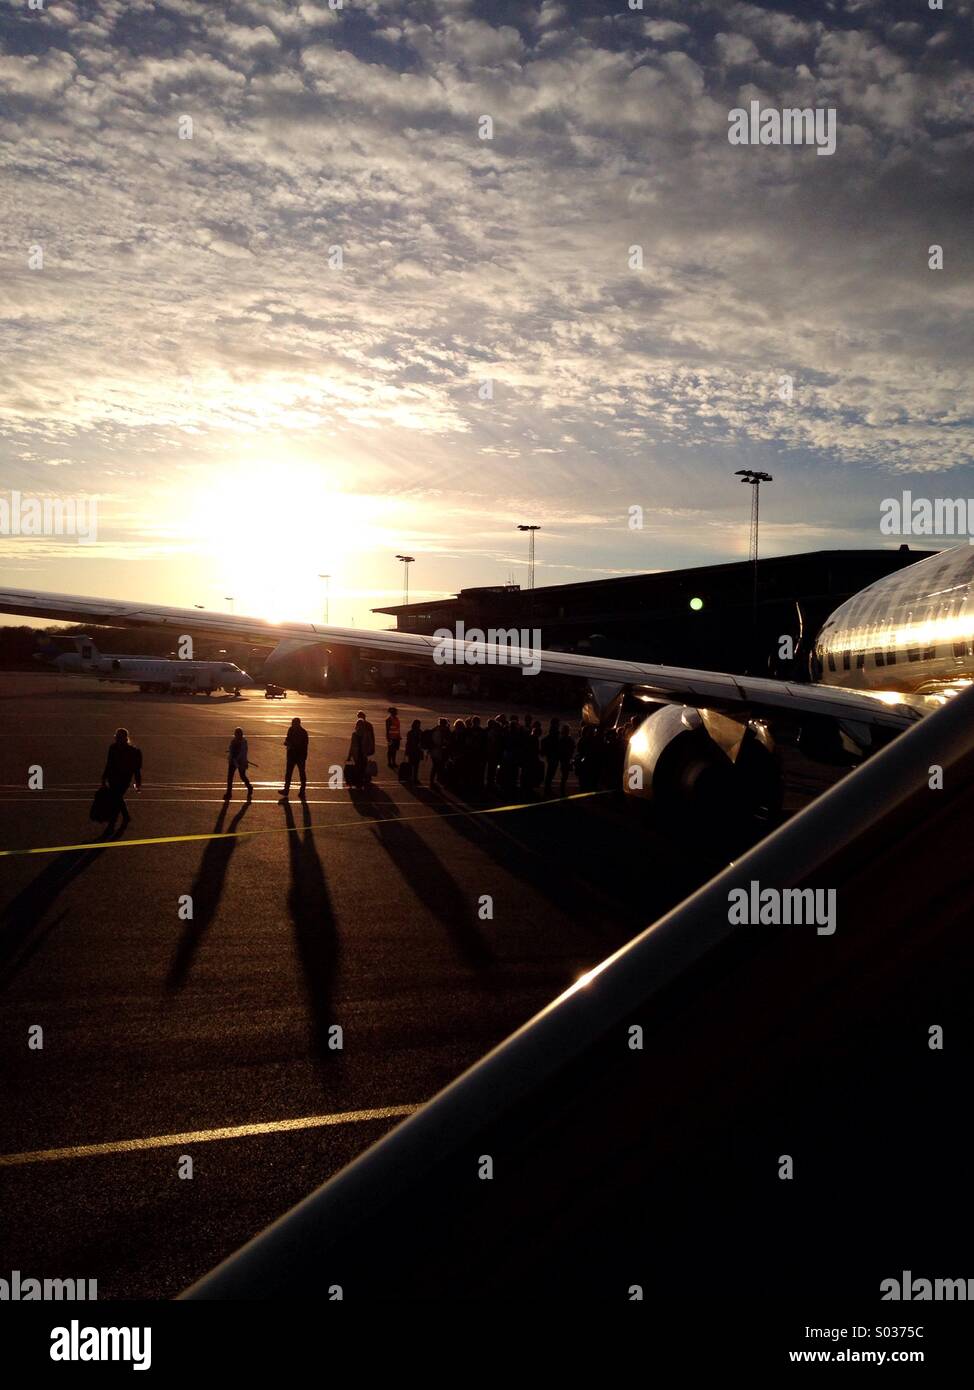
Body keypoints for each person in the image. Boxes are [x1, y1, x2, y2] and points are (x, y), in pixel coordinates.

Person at [101, 727, 142, 833]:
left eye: (120, 737)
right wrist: (104, 777)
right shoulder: (113, 748)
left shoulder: (134, 751)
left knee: (116, 797)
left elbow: (136, 769)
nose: (117, 739)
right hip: (113, 778)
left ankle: (112, 822)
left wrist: (138, 782)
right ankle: (126, 816)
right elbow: (109, 763)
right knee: (117, 797)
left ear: (125, 738)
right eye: (117, 737)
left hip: (124, 779)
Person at [280, 717, 309, 799]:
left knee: (302, 774)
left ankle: (302, 790)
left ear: (298, 724)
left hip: (299, 756)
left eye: (293, 723)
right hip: (291, 755)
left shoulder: (303, 733)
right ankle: (286, 790)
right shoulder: (291, 730)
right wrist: (287, 743)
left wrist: (292, 745)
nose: (292, 725)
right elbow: (287, 739)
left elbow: (304, 745)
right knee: (288, 773)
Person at [347, 710, 376, 787]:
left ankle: (359, 781)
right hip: (362, 754)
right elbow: (371, 741)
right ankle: (362, 781)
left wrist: (349, 756)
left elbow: (352, 746)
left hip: (359, 754)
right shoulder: (363, 733)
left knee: (359, 768)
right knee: (362, 768)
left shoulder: (358, 734)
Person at [225, 726, 253, 800]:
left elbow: (243, 753)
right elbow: (231, 749)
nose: (236, 736)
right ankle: (229, 793)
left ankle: (249, 787)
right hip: (233, 761)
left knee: (242, 776)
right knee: (230, 777)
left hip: (241, 762)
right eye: (236, 734)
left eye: (238, 734)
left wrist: (237, 759)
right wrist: (231, 756)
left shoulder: (244, 743)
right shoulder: (233, 741)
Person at [541, 717, 561, 797]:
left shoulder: (554, 732)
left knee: (550, 772)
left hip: (552, 755)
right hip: (553, 755)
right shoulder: (554, 732)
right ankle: (547, 788)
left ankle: (547, 787)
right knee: (551, 772)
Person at [429, 718, 450, 789]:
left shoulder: (435, 729)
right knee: (438, 767)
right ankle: (436, 782)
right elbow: (442, 742)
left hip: (433, 751)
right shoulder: (442, 731)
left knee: (435, 767)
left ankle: (433, 781)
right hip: (438, 752)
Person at [557, 722, 576, 796]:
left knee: (564, 775)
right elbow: (573, 747)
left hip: (564, 758)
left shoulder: (561, 739)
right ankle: (562, 790)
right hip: (566, 758)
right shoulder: (568, 739)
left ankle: (562, 789)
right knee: (565, 775)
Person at [404, 718, 424, 784]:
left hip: (414, 751)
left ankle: (413, 778)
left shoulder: (412, 732)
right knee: (413, 765)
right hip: (413, 751)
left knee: (414, 765)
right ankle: (413, 778)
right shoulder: (418, 732)